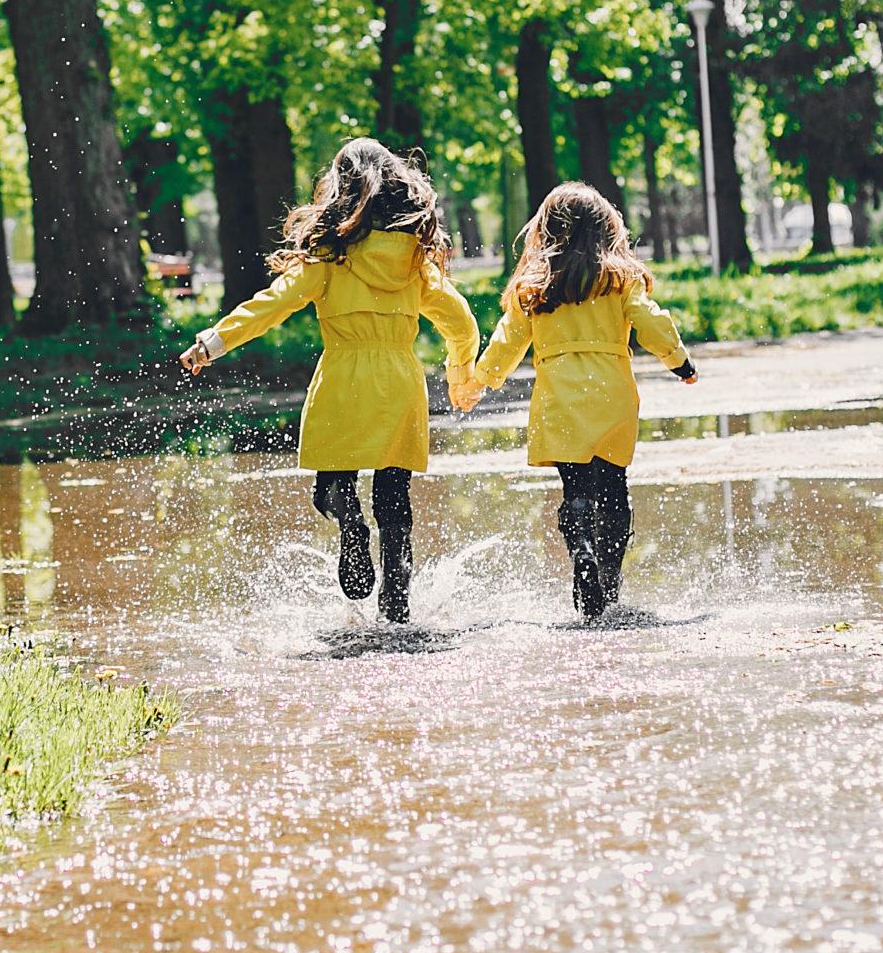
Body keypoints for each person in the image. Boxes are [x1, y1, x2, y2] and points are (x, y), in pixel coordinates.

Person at [180, 138, 479, 623]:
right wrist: (460, 372)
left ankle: (350, 525)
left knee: (330, 488)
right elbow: (461, 322)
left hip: (343, 379)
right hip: (400, 382)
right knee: (394, 500)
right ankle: (397, 606)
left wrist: (214, 342)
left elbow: (273, 304)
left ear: (340, 191)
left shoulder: (328, 256)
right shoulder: (413, 262)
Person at [451, 182, 696, 619]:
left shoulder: (535, 287)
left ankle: (581, 551)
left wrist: (479, 381)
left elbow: (508, 340)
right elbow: (650, 320)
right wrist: (679, 361)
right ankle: (610, 582)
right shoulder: (620, 279)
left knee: (576, 489)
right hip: (612, 395)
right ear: (606, 229)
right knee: (614, 487)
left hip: (560, 397)